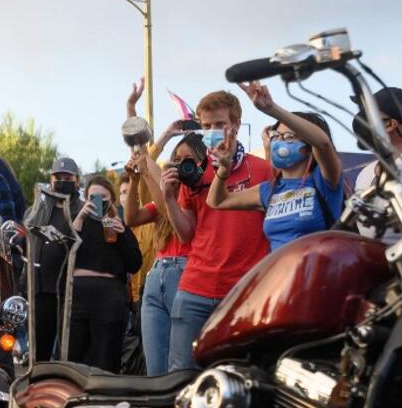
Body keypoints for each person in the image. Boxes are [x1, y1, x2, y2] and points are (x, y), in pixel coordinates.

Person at [160, 90, 273, 371]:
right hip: (194, 290)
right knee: (182, 379)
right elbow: (186, 234)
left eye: (219, 124)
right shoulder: (194, 173)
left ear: (235, 124)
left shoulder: (263, 169)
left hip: (243, 292)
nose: (212, 131)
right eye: (206, 125)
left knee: (240, 378)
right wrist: (169, 199)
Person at [206, 83, 344, 251]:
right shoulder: (269, 190)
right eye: (276, 136)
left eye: (289, 136)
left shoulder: (324, 180)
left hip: (318, 272)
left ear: (308, 146)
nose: (280, 142)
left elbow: (323, 143)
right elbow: (217, 201)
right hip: (282, 274)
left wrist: (271, 109)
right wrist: (223, 169)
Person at [124, 136, 199, 375]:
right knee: (155, 368)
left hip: (185, 274)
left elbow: (170, 213)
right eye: (175, 160)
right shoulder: (165, 196)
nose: (179, 165)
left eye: (188, 160)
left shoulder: (199, 195)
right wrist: (135, 181)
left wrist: (147, 172)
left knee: (180, 367)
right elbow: (132, 218)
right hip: (156, 275)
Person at [67, 175, 141, 371]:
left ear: (112, 200)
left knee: (106, 356)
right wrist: (81, 217)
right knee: (74, 356)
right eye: (92, 197)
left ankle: (104, 398)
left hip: (109, 298)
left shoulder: (117, 225)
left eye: (103, 197)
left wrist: (122, 233)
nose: (98, 202)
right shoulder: (78, 223)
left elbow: (134, 264)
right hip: (79, 296)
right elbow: (65, 253)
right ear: (85, 198)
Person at [23, 157, 84, 362]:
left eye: (68, 177)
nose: (62, 181)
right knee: (39, 351)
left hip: (70, 291)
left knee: (67, 352)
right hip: (41, 291)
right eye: (58, 177)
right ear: (51, 179)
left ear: (77, 180)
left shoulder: (82, 209)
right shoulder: (39, 209)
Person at [352, 87, 402, 245]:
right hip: (377, 263)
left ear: (391, 124)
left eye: (369, 114)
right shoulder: (365, 173)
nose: (362, 118)